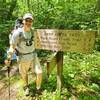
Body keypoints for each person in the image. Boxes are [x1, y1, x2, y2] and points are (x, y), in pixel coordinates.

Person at [5, 13, 42, 96]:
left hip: (33, 55)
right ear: (23, 21)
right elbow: (12, 47)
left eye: (30, 20)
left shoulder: (33, 31)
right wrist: (9, 57)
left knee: (39, 72)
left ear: (32, 22)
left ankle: (38, 88)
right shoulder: (17, 33)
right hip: (22, 57)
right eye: (27, 20)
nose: (28, 22)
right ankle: (26, 87)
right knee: (24, 74)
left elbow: (38, 41)